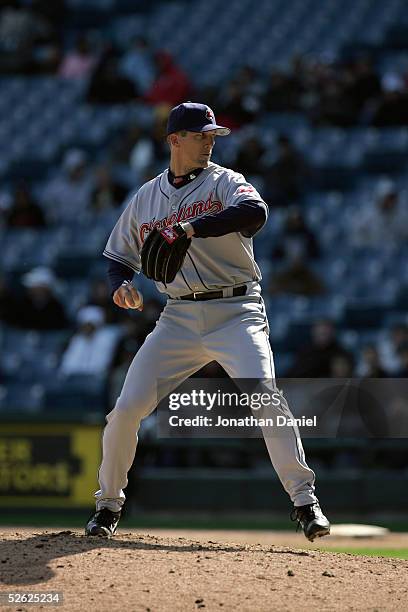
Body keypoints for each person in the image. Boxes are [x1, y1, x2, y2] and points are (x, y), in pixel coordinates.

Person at [85, 102, 330, 541]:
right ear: (174, 140)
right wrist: (120, 284)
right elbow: (118, 257)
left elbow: (255, 213)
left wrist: (192, 228)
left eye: (213, 136)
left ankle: (304, 501)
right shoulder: (145, 197)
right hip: (177, 316)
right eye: (201, 136)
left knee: (266, 398)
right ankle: (106, 506)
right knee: (124, 412)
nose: (209, 143)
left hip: (237, 312)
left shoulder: (225, 181)